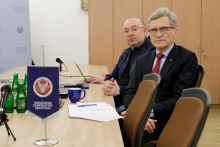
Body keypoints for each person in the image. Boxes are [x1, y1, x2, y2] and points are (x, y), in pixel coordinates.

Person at [122, 7, 199, 144]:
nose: (158, 34)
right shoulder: (143, 60)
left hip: (163, 122)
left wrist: (144, 114)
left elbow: (179, 99)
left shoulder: (187, 58)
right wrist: (136, 113)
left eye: (164, 29)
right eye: (154, 30)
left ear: (175, 32)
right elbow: (130, 91)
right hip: (141, 117)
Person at [88, 18, 155, 111]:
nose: (130, 33)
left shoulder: (151, 54)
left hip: (132, 104)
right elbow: (113, 76)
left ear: (144, 31)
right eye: (126, 31)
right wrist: (107, 81)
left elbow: (144, 89)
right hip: (117, 98)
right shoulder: (126, 53)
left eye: (134, 29)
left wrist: (119, 90)